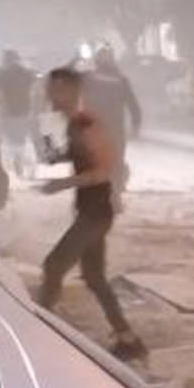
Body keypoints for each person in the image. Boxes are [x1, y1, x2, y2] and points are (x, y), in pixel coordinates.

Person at [36, 66, 145, 359]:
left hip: (96, 213)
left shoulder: (87, 124)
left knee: (53, 266)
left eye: (56, 89)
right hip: (89, 209)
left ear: (73, 91)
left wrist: (64, 182)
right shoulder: (69, 124)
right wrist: (48, 134)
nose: (51, 94)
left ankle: (35, 332)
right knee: (95, 278)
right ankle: (128, 338)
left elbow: (103, 171)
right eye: (50, 88)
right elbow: (52, 158)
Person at [0, 49, 40, 181]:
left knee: (10, 139)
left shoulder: (2, 74)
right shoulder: (26, 72)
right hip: (25, 110)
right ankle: (26, 165)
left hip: (8, 112)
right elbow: (36, 88)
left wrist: (2, 108)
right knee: (23, 139)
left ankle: (16, 162)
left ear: (6, 60)